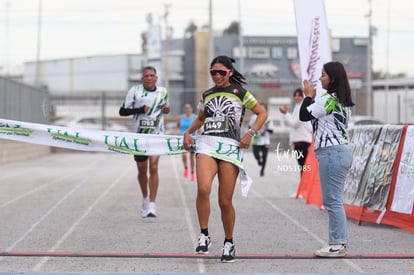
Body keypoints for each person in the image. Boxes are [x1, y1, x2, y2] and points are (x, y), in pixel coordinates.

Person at [183, 56, 267, 263]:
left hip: (229, 149)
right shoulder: (207, 94)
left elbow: (262, 113)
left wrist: (250, 134)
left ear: (229, 72)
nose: (217, 76)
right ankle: (204, 235)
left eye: (221, 72)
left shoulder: (240, 92)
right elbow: (201, 118)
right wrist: (188, 132)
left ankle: (229, 242)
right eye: (213, 72)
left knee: (224, 201)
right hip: (207, 146)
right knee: (202, 188)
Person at [299, 61, 354, 258]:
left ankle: (337, 244)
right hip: (338, 152)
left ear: (332, 78)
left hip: (332, 152)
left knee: (332, 201)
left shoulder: (328, 99)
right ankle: (338, 242)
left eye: (323, 74)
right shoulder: (342, 100)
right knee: (334, 200)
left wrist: (308, 96)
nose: (320, 78)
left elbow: (304, 115)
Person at [119, 66, 170, 218]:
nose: (149, 78)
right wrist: (140, 109)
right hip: (139, 136)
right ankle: (145, 198)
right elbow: (122, 111)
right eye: (146, 76)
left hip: (156, 135)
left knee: (154, 167)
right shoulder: (134, 91)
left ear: (156, 78)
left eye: (152, 75)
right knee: (142, 170)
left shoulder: (163, 91)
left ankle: (152, 205)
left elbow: (164, 108)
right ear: (142, 78)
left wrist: (167, 110)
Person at [279, 88, 313, 175]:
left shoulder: (301, 106)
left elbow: (295, 123)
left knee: (303, 165)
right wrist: (286, 113)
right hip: (299, 140)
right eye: (295, 95)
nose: (297, 97)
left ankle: (305, 186)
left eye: (299, 95)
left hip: (302, 140)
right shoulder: (297, 106)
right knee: (302, 165)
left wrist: (286, 114)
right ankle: (304, 185)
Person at [248, 103, 274, 177]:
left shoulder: (268, 119)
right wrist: (255, 128)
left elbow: (271, 131)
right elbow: (249, 127)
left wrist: (265, 128)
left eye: (263, 108)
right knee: (256, 155)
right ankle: (259, 161)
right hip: (256, 140)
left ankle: (262, 170)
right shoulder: (253, 117)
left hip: (265, 141)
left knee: (265, 156)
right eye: (260, 108)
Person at [176, 103, 197, 181]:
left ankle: (192, 172)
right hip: (183, 138)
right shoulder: (180, 117)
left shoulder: (195, 117)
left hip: (192, 138)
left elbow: (198, 127)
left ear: (191, 109)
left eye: (189, 108)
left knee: (192, 157)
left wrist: (200, 133)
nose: (187, 109)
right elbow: (177, 126)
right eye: (186, 108)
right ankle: (185, 167)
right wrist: (176, 134)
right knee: (184, 155)